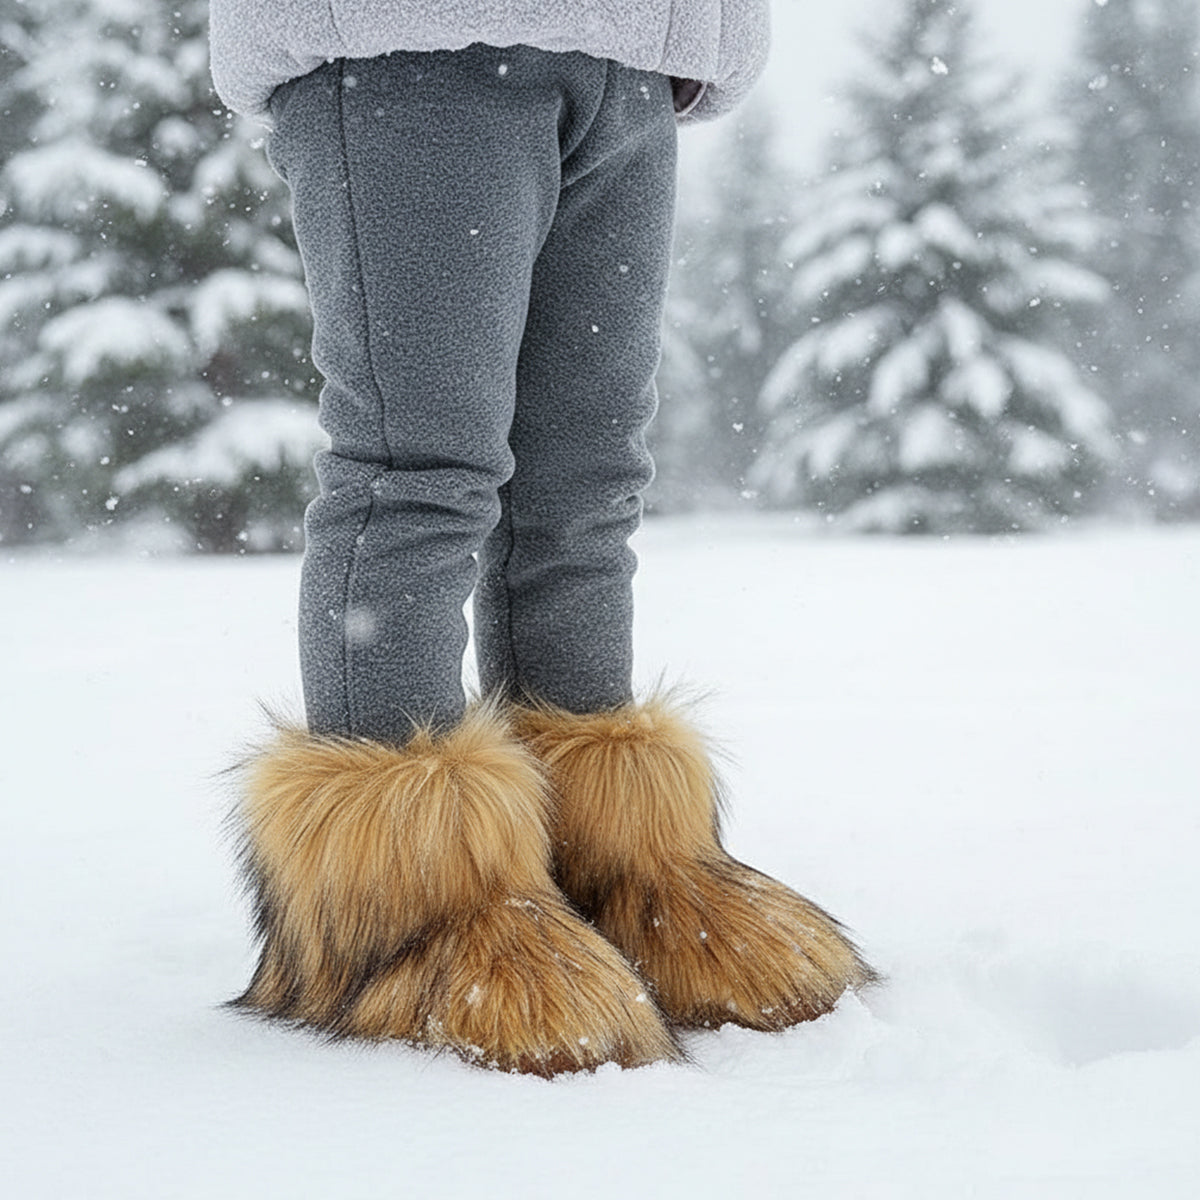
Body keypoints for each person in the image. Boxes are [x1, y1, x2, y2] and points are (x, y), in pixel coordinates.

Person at [208, 0, 874, 1076]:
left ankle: (613, 869)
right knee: (419, 471)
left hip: (639, 57)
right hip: (413, 41)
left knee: (584, 490)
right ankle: (408, 912)